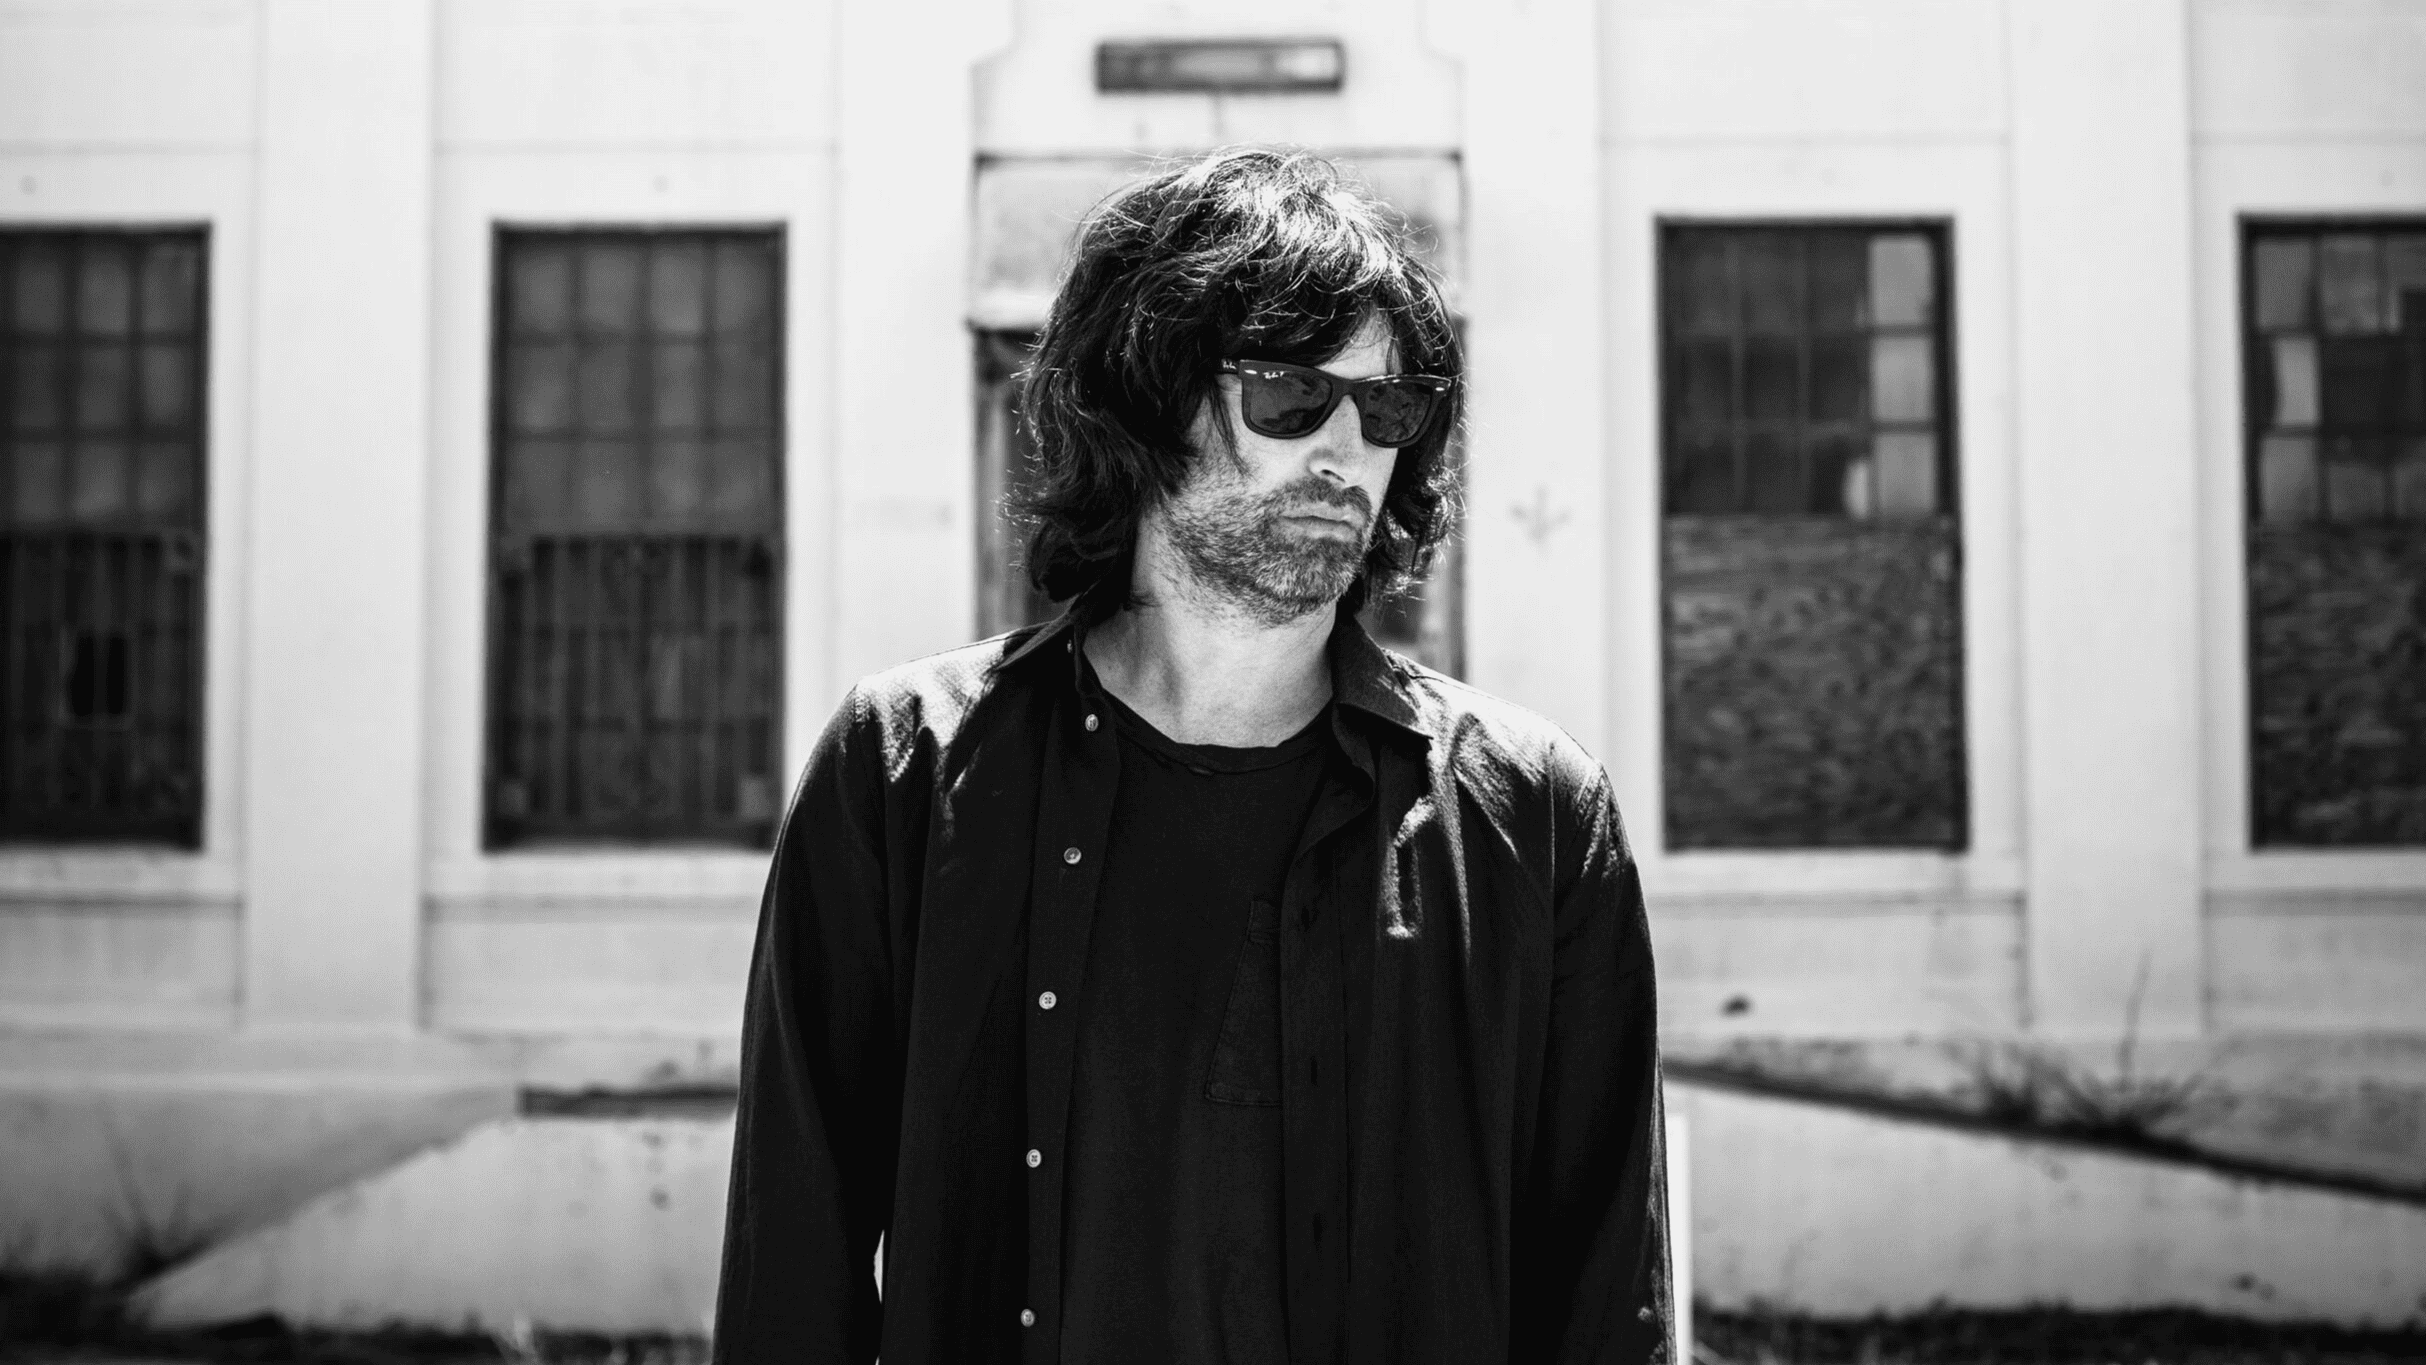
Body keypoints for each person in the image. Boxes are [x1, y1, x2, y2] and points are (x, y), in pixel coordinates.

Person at [714, 146, 1670, 1365]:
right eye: (1288, 396)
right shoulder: (905, 771)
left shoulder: (1529, 812)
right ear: (1145, 402)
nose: (1344, 454)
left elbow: (1605, 1305)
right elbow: (792, 1270)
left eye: (1386, 409)